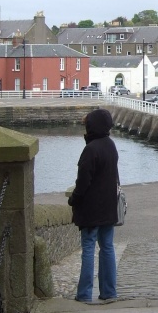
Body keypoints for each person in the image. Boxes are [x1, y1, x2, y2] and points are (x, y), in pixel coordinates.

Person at [67, 108, 119, 303]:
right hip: (108, 207)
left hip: (91, 209)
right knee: (107, 247)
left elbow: (82, 183)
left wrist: (73, 200)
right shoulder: (111, 146)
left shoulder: (91, 150)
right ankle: (109, 292)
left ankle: (84, 294)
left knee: (88, 248)